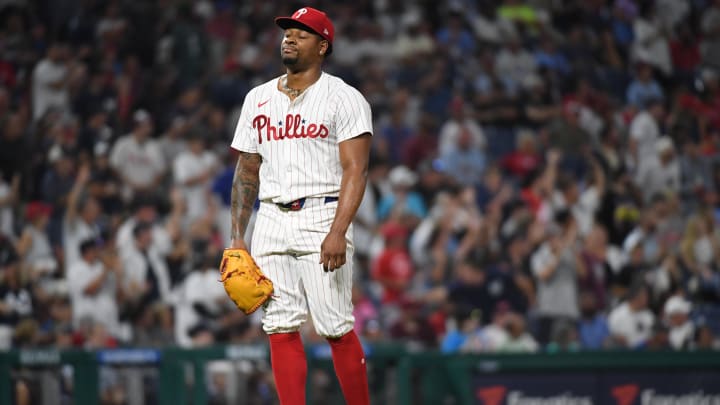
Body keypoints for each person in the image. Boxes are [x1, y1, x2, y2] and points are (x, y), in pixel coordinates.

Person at [227, 7, 372, 405]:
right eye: (288, 32)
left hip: (323, 212)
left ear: (323, 46)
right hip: (270, 217)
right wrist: (238, 238)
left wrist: (338, 230)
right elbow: (246, 171)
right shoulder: (257, 98)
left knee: (335, 326)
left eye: (302, 33)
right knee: (279, 325)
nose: (289, 38)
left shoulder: (345, 98)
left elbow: (355, 170)